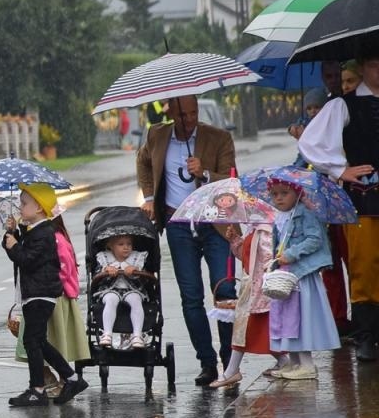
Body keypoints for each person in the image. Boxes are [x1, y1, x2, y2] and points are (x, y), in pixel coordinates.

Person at [137, 94, 237, 385]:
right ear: (170, 111)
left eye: (193, 113)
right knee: (191, 297)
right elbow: (143, 163)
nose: (189, 120)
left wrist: (204, 172)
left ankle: (230, 361)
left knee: (225, 291)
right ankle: (207, 363)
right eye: (183, 115)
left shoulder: (218, 138)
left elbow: (232, 179)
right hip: (179, 225)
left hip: (215, 223)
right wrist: (149, 196)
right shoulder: (157, 135)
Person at [300, 54, 379, 361]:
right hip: (362, 195)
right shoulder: (343, 105)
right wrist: (338, 169)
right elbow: (310, 142)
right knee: (363, 264)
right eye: (374, 64)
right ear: (364, 68)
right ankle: (365, 335)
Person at [3, 184, 88, 407]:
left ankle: (38, 389)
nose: (20, 207)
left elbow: (27, 259)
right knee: (37, 340)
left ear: (39, 207)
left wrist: (14, 246)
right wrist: (12, 234)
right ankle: (69, 378)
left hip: (41, 294)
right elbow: (21, 253)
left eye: (24, 204)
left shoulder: (45, 233)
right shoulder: (35, 230)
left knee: (32, 340)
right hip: (34, 293)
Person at [262, 176, 339, 380]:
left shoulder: (305, 213)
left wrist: (292, 253)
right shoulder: (280, 217)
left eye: (284, 193)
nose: (278, 198)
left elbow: (315, 239)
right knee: (287, 319)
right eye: (274, 194)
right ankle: (294, 362)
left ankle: (307, 364)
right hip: (286, 274)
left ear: (297, 193)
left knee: (301, 318)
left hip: (302, 275)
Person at [212, 220, 286, 388]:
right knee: (251, 330)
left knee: (246, 330)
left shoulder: (265, 230)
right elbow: (247, 257)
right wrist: (236, 241)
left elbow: (268, 260)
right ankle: (283, 360)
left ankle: (232, 370)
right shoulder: (254, 229)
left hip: (258, 289)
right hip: (251, 288)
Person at [92, 235, 152, 350]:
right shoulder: (104, 258)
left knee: (136, 300)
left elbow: (146, 280)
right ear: (111, 246)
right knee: (111, 299)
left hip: (132, 289)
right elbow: (97, 278)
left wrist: (135, 272)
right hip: (110, 289)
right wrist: (106, 271)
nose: (126, 247)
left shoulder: (138, 258)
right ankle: (107, 333)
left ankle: (137, 335)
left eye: (129, 244)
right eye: (121, 244)